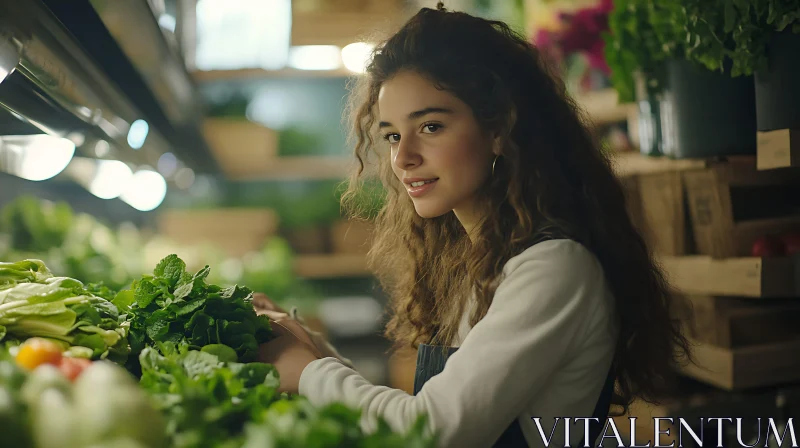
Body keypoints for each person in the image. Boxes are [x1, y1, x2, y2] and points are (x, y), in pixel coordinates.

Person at [258, 3, 691, 447]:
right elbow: (422, 415)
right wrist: (309, 347)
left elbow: (437, 431)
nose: (403, 157)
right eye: (391, 135)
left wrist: (309, 371)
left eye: (429, 126)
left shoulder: (554, 268)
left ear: (500, 128)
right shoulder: (479, 262)